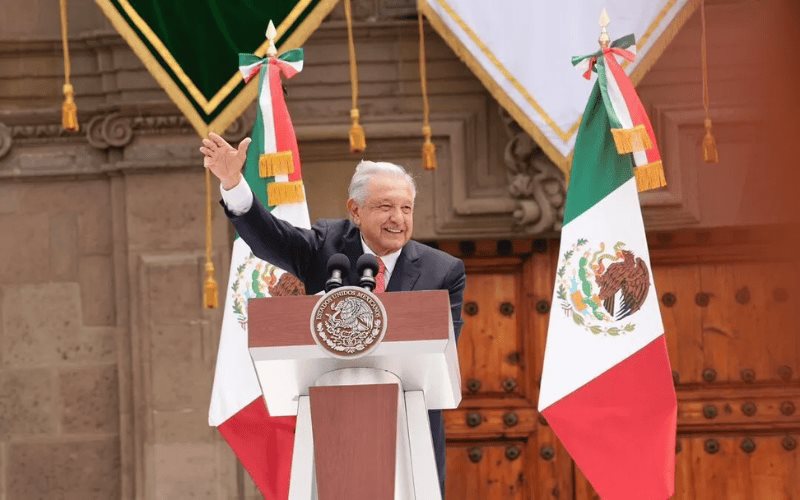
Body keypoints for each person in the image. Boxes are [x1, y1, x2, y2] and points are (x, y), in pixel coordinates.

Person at [200, 132, 466, 494]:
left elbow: (441, 351)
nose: (398, 219)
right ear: (355, 211)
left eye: (406, 208)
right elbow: (271, 238)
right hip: (330, 419)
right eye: (385, 206)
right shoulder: (326, 248)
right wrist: (233, 184)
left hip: (408, 424)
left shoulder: (444, 271)